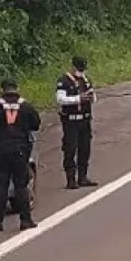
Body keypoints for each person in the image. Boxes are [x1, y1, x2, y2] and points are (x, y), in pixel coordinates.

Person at [0, 79, 40, 231]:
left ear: (2, 89)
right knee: (21, 186)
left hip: (1, 150)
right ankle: (25, 220)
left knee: (1, 184)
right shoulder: (26, 106)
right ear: (17, 88)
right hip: (20, 150)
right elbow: (36, 124)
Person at [56, 56, 99, 189]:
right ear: (73, 67)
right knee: (70, 149)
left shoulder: (86, 80)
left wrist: (92, 97)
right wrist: (78, 99)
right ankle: (71, 179)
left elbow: (93, 97)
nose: (81, 72)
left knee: (85, 149)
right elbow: (60, 99)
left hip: (85, 120)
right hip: (71, 121)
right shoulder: (64, 81)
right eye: (79, 69)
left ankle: (83, 177)